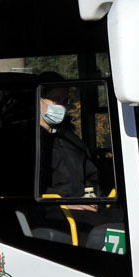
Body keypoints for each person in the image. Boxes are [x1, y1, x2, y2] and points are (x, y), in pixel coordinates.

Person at [37, 76, 99, 211]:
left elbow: (91, 176)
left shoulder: (72, 140)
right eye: (56, 100)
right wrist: (61, 203)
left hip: (81, 209)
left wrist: (93, 197)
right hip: (51, 215)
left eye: (65, 101)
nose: (61, 106)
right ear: (38, 100)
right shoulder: (29, 142)